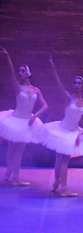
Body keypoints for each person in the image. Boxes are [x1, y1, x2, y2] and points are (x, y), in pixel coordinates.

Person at [37, 55, 83, 196]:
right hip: (61, 130)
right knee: (60, 159)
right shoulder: (69, 98)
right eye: (74, 83)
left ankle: (57, 183)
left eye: (79, 83)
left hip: (74, 132)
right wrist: (52, 66)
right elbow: (58, 83)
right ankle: (63, 188)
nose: (76, 85)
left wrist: (80, 134)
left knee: (63, 160)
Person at [0, 46, 48, 186]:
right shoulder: (17, 86)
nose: (20, 73)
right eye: (19, 71)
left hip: (27, 121)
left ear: (28, 73)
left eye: (22, 71)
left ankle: (15, 177)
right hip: (15, 120)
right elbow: (10, 72)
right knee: (11, 148)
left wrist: (35, 116)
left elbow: (45, 106)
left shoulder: (36, 90)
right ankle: (9, 172)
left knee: (19, 150)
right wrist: (7, 57)